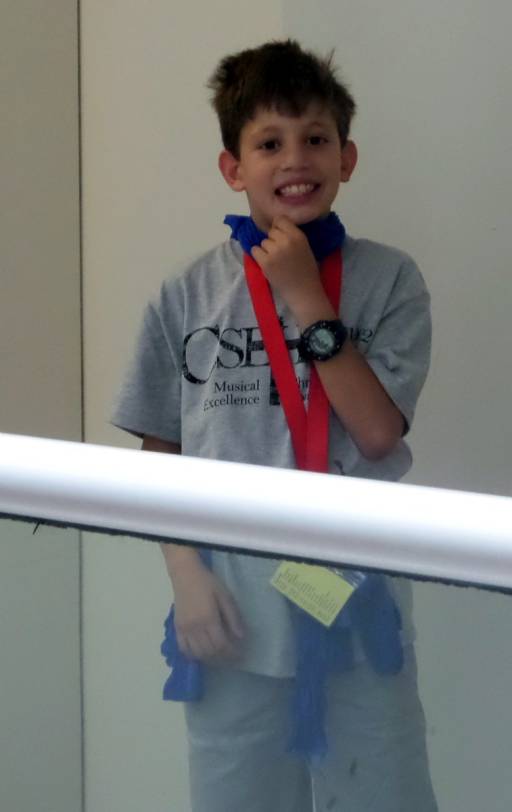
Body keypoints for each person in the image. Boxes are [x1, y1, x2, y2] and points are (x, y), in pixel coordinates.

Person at [112, 39, 438, 812]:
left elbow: (377, 433)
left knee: (381, 793)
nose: (296, 159)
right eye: (269, 143)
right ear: (233, 168)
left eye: (315, 138)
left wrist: (305, 296)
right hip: (230, 619)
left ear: (346, 157)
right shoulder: (186, 294)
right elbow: (160, 454)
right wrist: (186, 579)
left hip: (358, 609)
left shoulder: (390, 279)